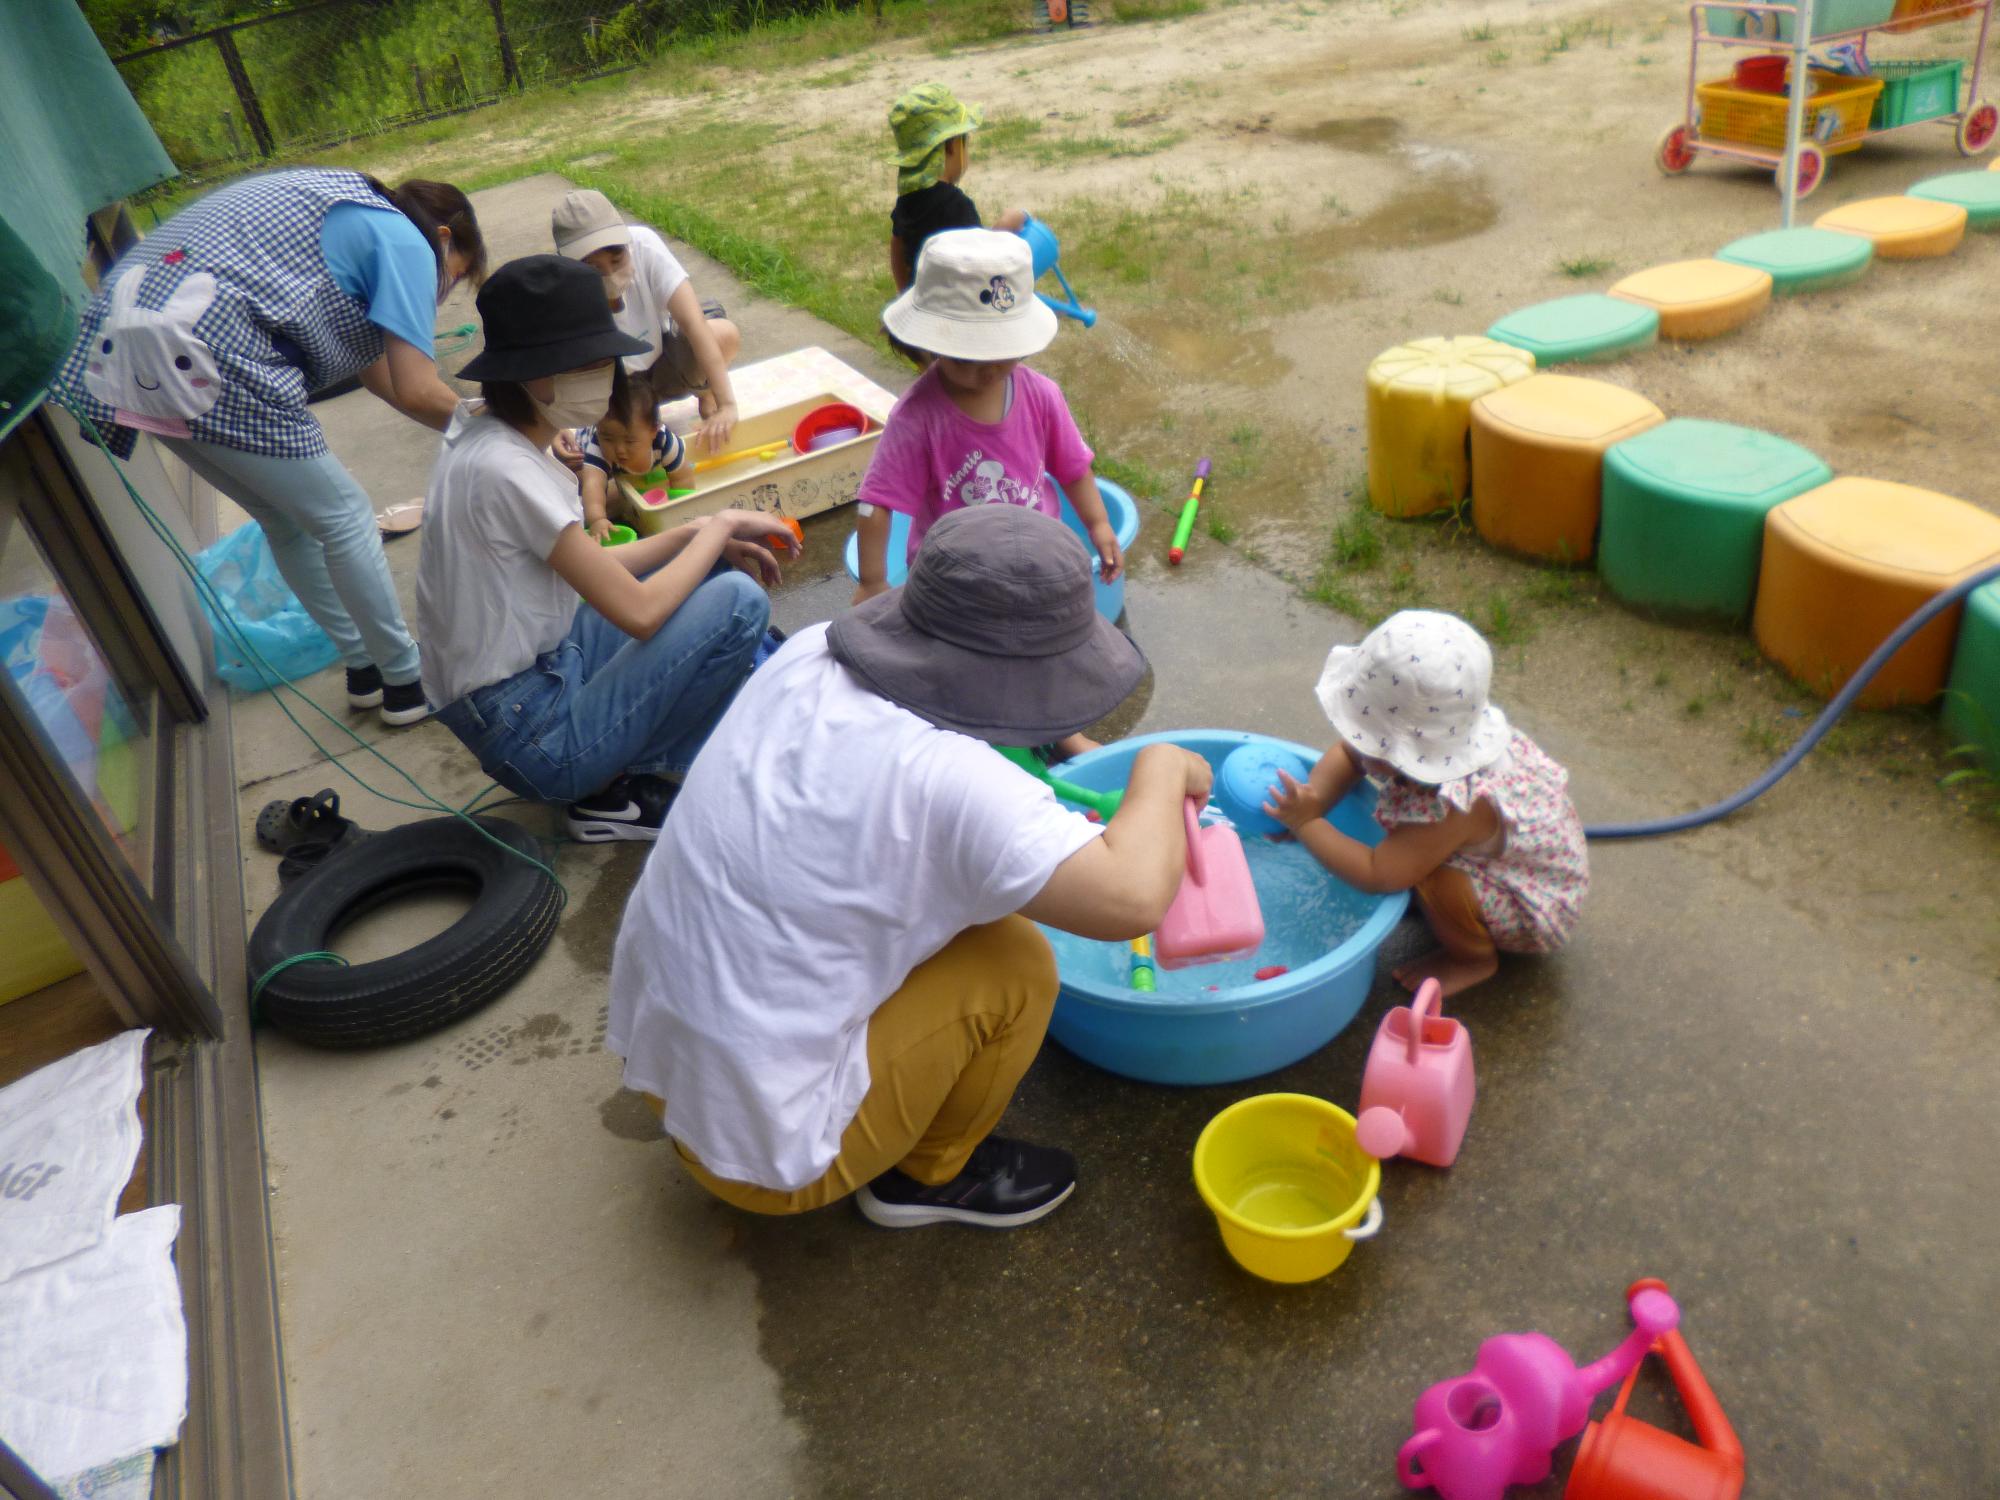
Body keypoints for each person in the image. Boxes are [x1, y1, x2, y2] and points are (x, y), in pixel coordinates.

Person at [609, 505, 1203, 1228]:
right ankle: (927, 1177)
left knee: (976, 903)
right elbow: (1134, 898)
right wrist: (1163, 768)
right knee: (1017, 964)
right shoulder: (955, 783)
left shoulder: (811, 653)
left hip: (662, 1052)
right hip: (758, 1150)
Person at [55, 168, 486, 726]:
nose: (440, 293)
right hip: (200, 351)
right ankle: (407, 680)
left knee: (286, 520)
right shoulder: (406, 238)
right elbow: (417, 386)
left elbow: (386, 382)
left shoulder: (348, 210)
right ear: (447, 239)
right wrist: (499, 432)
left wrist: (464, 426)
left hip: (126, 352)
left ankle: (366, 669)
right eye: (451, 279)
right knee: (345, 515)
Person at [416, 256, 797, 843]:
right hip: (535, 732)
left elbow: (594, 570)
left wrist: (690, 534)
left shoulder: (486, 431)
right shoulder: (505, 469)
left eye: (605, 362)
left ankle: (636, 751)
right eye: (587, 364)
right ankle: (613, 788)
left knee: (695, 563)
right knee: (738, 601)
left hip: (533, 680)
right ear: (531, 373)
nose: (605, 377)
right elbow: (640, 614)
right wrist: (718, 524)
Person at [1261, 610, 1589, 999]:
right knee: (1414, 855)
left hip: (1532, 901)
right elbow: (1350, 756)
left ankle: (1472, 959)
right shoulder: (1443, 734)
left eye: (1370, 740)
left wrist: (1305, 825)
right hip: (1501, 857)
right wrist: (1313, 800)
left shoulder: (1458, 805)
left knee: (1435, 877)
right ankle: (1450, 913)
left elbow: (1378, 873)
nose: (1358, 746)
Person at [852, 229, 1120, 602]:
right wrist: (872, 580)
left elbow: (1074, 468)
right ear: (930, 346)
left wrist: (1099, 524)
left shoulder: (1041, 396)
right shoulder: (917, 419)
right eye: (966, 359)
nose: (988, 371)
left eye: (1002, 353)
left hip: (1034, 558)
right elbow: (876, 503)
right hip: (954, 578)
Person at [550, 189, 741, 455]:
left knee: (722, 334)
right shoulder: (559, 288)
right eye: (594, 269)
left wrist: (727, 405)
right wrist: (556, 426)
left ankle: (705, 392)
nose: (610, 275)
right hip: (616, 385)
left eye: (617, 260)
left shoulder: (644, 245)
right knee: (621, 442)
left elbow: (693, 324)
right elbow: (551, 364)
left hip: (664, 366)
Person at [886, 83, 1026, 293]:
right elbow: (982, 259)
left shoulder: (907, 200)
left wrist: (903, 295)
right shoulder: (955, 205)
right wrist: (1005, 227)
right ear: (952, 145)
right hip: (955, 309)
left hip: (922, 306)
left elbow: (897, 245)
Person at [576, 364, 692, 544]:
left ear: (653, 430)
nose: (619, 449)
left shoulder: (665, 443)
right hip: (583, 441)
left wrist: (681, 506)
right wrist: (597, 519)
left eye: (629, 441)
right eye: (608, 438)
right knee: (581, 476)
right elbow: (594, 486)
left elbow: (683, 476)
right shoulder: (598, 446)